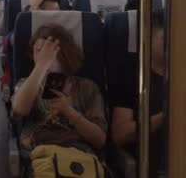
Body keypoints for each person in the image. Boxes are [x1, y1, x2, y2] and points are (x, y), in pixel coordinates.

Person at [12, 24, 107, 177]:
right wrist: (42, 66)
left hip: (80, 156)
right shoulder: (27, 84)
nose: (42, 56)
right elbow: (19, 109)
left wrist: (70, 113)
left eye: (49, 52)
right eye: (38, 51)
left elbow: (99, 140)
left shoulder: (87, 87)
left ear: (65, 54)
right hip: (40, 156)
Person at [110, 10, 166, 177]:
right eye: (166, 38)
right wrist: (164, 116)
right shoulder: (131, 73)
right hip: (157, 162)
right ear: (148, 38)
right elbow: (120, 134)